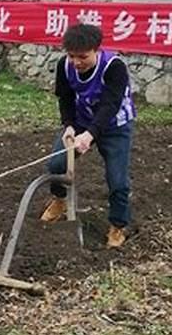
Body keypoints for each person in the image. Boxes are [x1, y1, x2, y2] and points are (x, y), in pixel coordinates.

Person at [40, 23, 136, 248]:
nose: (76, 62)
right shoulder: (65, 66)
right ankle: (59, 201)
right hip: (81, 122)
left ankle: (118, 226)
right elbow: (64, 98)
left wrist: (90, 135)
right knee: (56, 163)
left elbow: (110, 105)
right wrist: (70, 126)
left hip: (114, 126)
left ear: (97, 50)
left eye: (82, 57)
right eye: (72, 56)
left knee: (118, 181)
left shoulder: (114, 67)